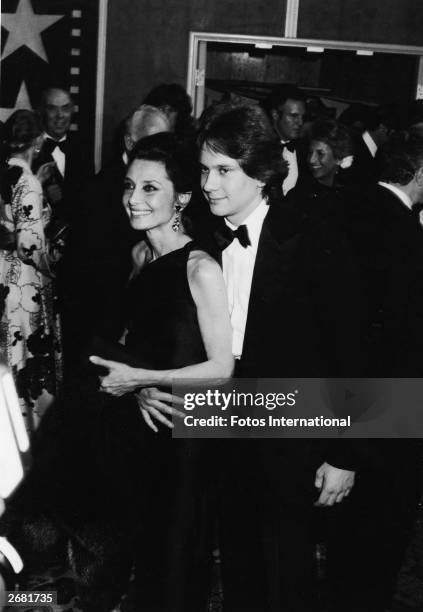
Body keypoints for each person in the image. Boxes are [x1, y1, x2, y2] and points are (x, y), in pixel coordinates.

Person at [0, 132, 233, 612]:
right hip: (128, 411)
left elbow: (222, 369)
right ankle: (39, 593)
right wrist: (133, 379)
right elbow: (135, 341)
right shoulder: (139, 254)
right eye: (129, 186)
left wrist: (145, 381)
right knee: (62, 513)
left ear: (182, 197)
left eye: (151, 188)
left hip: (170, 429)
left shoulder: (201, 267)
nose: (134, 198)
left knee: (146, 550)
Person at [59, 105, 171, 371]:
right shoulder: (101, 189)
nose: (164, 153)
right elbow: (93, 273)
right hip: (104, 323)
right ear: (130, 142)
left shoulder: (165, 183)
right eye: (153, 144)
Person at [0, 110, 62, 434]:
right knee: (24, 350)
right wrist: (55, 260)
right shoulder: (28, 182)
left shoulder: (4, 172)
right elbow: (30, 245)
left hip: (1, 272)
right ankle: (25, 426)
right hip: (23, 282)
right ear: (38, 142)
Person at [33, 86, 94, 226]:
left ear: (72, 111)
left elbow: (89, 197)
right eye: (52, 109)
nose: (60, 115)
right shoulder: (29, 149)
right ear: (42, 112)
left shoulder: (83, 147)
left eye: (65, 108)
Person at [261, 83, 309, 194]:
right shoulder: (261, 149)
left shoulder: (304, 149)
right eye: (294, 116)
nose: (300, 122)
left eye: (302, 117)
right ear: (275, 115)